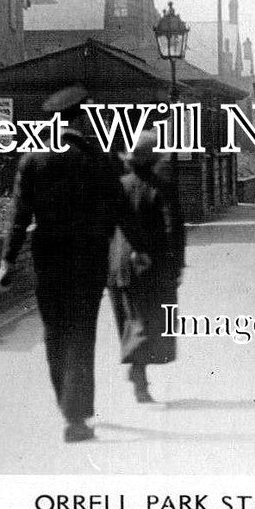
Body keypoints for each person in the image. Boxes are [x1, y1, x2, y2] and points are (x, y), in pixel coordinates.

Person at [0, 84, 139, 443]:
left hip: (49, 258)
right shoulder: (100, 158)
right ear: (80, 119)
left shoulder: (33, 159)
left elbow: (19, 216)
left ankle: (68, 407)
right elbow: (122, 206)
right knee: (81, 331)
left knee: (55, 332)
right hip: (89, 258)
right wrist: (139, 246)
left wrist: (7, 262)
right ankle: (77, 416)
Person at [108, 132, 185, 404]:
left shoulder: (119, 185)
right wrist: (176, 265)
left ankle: (137, 373)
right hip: (153, 265)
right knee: (150, 322)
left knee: (131, 320)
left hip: (120, 265)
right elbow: (173, 228)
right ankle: (139, 378)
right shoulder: (162, 187)